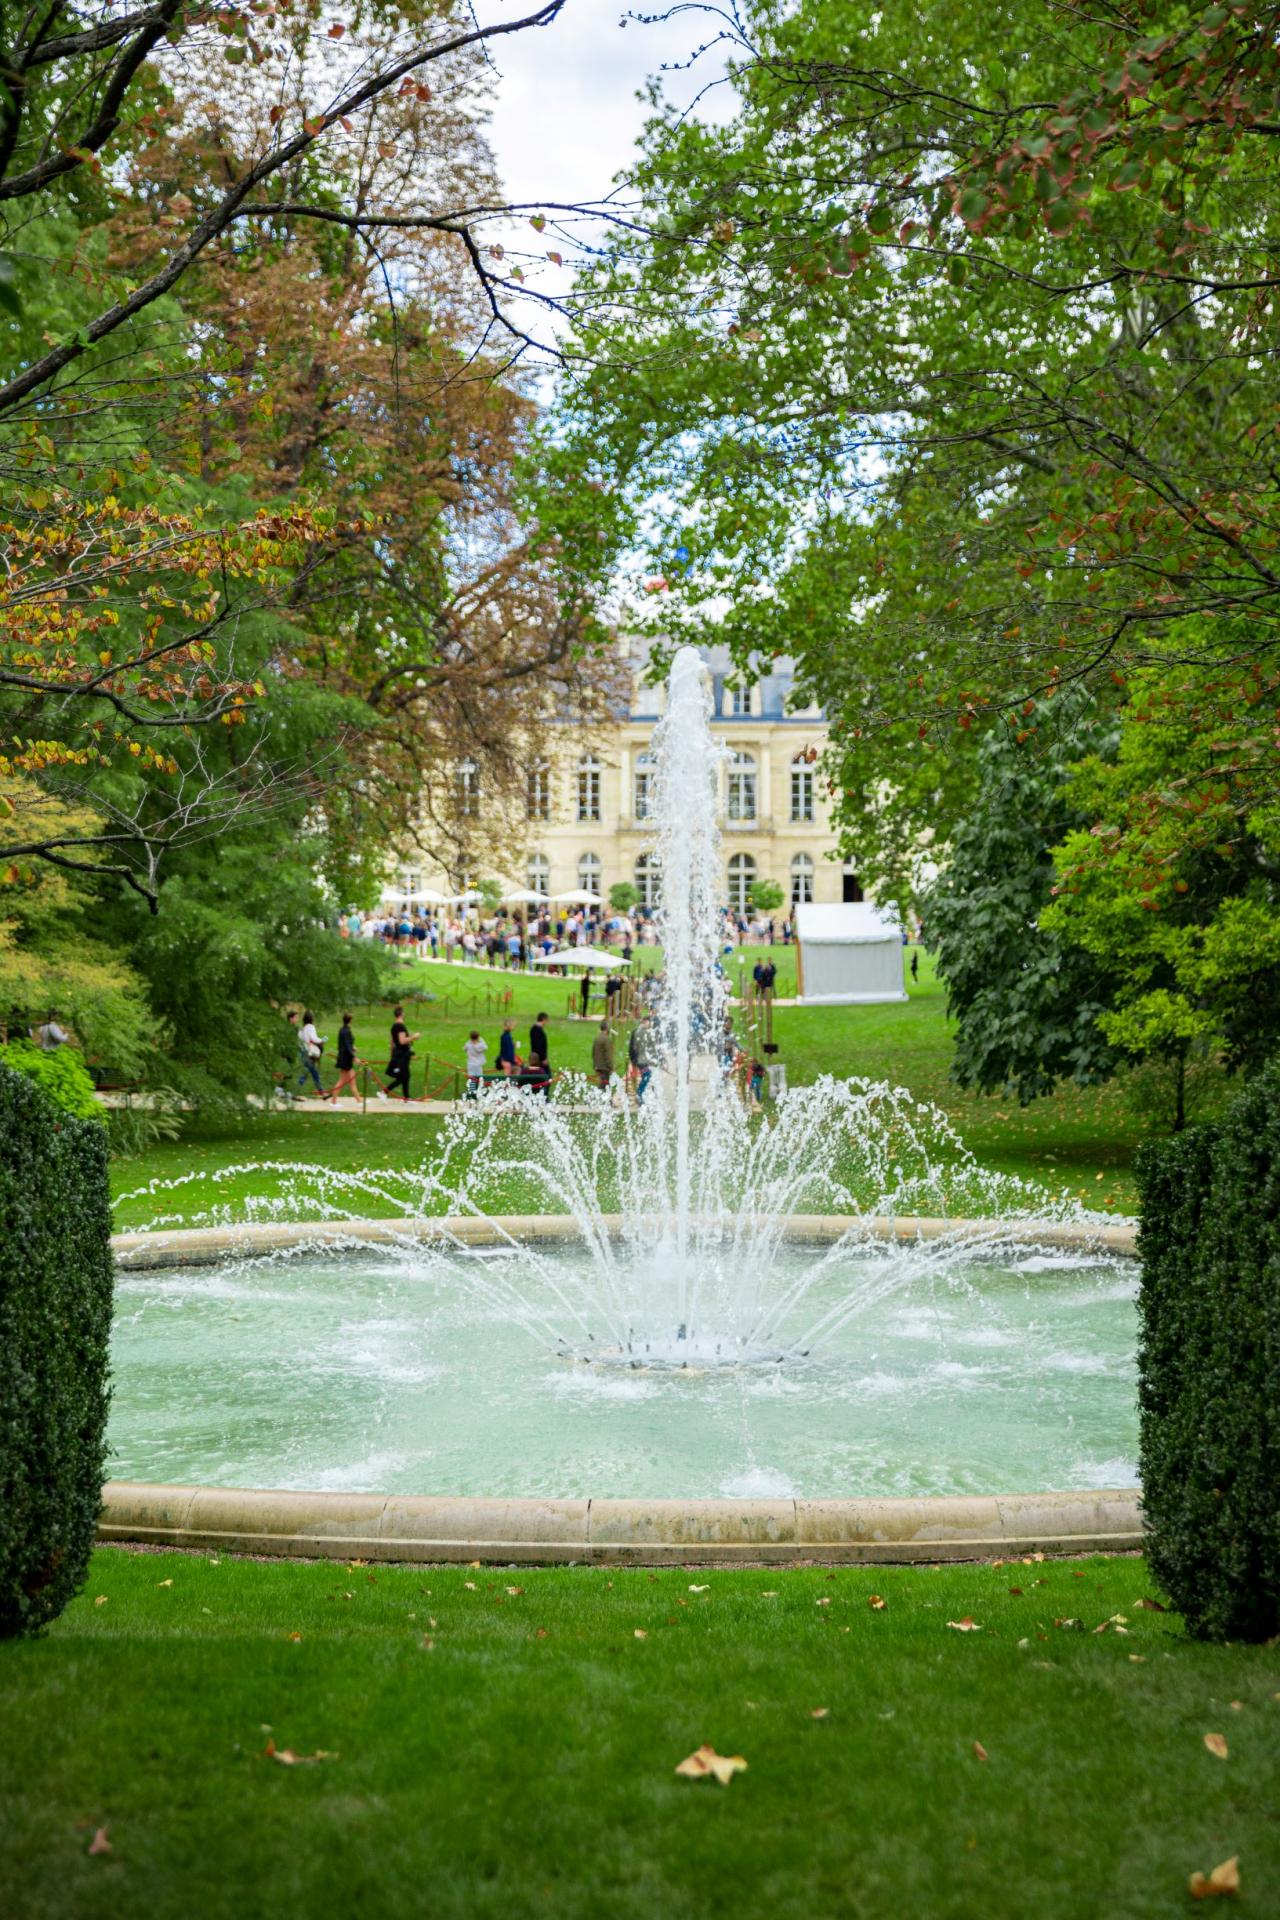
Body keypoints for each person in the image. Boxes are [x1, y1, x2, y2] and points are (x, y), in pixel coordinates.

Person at [325, 1013, 361, 1102]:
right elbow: (347, 1047)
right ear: (350, 1020)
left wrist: (353, 1048)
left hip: (345, 1058)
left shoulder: (344, 1030)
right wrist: (354, 1057)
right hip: (345, 1059)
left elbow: (345, 1044)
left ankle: (359, 1101)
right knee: (342, 1081)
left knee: (352, 1081)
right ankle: (333, 1101)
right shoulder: (346, 1031)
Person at [386, 1004, 418, 1100]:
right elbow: (402, 1041)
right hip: (402, 1054)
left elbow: (392, 1042)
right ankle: (384, 1091)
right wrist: (414, 1037)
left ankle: (406, 1098)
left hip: (398, 1054)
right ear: (402, 1014)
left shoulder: (394, 1026)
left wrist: (392, 1054)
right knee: (403, 1077)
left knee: (406, 1076)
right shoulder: (400, 1026)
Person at [298, 1009, 326, 1095]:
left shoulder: (303, 1029)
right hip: (309, 1053)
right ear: (311, 1019)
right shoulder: (310, 1027)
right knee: (313, 1071)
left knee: (309, 1071)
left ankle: (320, 1089)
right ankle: (321, 1090)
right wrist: (323, 1040)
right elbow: (314, 1039)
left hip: (304, 1052)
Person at [630, 1014, 654, 1105]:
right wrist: (634, 1060)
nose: (650, 1024)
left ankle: (644, 1095)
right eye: (649, 1022)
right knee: (647, 1075)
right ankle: (639, 1094)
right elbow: (632, 1047)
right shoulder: (639, 1032)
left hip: (644, 1059)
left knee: (649, 1076)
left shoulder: (646, 1031)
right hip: (641, 1060)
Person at [527, 1011, 551, 1095]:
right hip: (539, 1059)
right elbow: (538, 1046)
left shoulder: (534, 1029)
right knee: (546, 1077)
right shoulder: (537, 1030)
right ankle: (544, 1095)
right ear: (543, 1019)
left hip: (537, 1057)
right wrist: (543, 1058)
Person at [592, 1019, 615, 1091]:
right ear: (607, 1029)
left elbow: (593, 1053)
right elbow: (608, 1055)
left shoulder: (597, 1038)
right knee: (604, 1085)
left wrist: (595, 1064)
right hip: (605, 1067)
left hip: (598, 1066)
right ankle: (600, 1099)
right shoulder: (606, 1040)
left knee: (603, 1084)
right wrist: (611, 1066)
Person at [464, 1029, 487, 1096]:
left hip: (470, 1064)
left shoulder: (468, 1044)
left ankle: (471, 1091)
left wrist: (470, 1041)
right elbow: (486, 1047)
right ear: (478, 1037)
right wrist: (481, 1039)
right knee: (480, 1077)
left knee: (471, 1078)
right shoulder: (480, 1045)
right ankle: (480, 1091)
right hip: (478, 1064)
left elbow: (464, 1049)